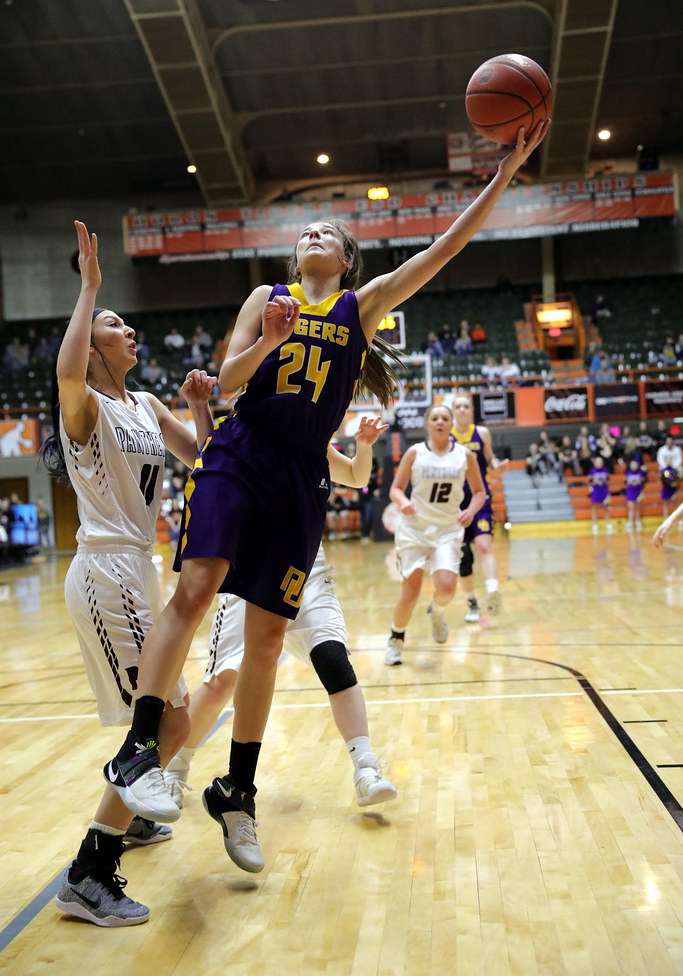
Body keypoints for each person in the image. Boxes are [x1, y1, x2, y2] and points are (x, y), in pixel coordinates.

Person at [99, 123, 548, 867]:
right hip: (243, 453)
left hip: (302, 472)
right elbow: (228, 382)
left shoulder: (361, 307)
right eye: (304, 228)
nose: (312, 232)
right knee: (200, 584)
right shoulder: (265, 296)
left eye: (326, 232)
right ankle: (142, 745)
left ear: (345, 260)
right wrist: (270, 339)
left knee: (271, 640)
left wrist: (502, 173)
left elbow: (444, 249)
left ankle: (236, 793)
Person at [40, 221, 216, 927]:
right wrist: (90, 290)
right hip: (104, 572)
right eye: (116, 325)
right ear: (94, 340)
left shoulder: (143, 405)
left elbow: (203, 459)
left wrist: (202, 405)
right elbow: (66, 371)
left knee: (172, 721)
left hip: (141, 571)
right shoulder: (81, 404)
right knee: (166, 723)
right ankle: (89, 872)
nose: (130, 331)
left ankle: (127, 820)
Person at [164, 418, 397, 839]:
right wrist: (199, 407)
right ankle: (176, 770)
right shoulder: (236, 431)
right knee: (222, 682)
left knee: (333, 659)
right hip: (247, 574)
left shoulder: (307, 434)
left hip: (305, 570)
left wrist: (363, 445)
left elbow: (358, 477)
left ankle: (365, 768)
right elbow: (203, 457)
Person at [385, 402, 485, 665]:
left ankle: (437, 613)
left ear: (451, 424)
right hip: (415, 529)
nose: (440, 422)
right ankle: (396, 638)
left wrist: (471, 511)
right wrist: (402, 502)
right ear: (427, 424)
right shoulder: (415, 452)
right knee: (411, 591)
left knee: (447, 588)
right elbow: (395, 488)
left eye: (445, 418)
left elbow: (479, 492)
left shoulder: (464, 455)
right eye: (435, 418)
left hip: (447, 530)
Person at [451, 392, 509, 618]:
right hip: (455, 504)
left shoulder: (482, 433)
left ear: (471, 411)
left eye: (466, 406)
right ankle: (471, 602)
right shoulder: (447, 436)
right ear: (454, 411)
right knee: (464, 555)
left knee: (485, 546)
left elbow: (490, 460)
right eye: (459, 406)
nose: (463, 410)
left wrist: (498, 466)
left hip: (480, 499)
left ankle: (493, 591)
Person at [656, 435, 682, 519]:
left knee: (676, 503)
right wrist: (671, 480)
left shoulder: (674, 470)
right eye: (667, 459)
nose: (669, 460)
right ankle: (665, 519)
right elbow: (667, 479)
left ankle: (679, 520)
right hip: (667, 488)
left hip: (674, 488)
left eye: (670, 459)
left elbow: (677, 478)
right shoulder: (665, 470)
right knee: (666, 504)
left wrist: (676, 481)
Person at [589, 455, 611, 533]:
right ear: (595, 463)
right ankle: (595, 524)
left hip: (604, 490)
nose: (599, 463)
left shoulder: (606, 470)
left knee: (606, 508)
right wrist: (595, 481)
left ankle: (608, 523)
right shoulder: (592, 471)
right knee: (594, 508)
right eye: (598, 462)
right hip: (596, 491)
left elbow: (608, 481)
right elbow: (590, 481)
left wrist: (604, 481)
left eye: (601, 462)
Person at [624, 458, 647, 532]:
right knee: (631, 507)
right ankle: (630, 522)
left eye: (635, 465)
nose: (634, 466)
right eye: (632, 465)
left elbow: (642, 481)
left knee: (637, 507)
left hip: (638, 491)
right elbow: (627, 481)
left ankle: (637, 521)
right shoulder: (627, 473)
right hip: (630, 491)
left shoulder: (640, 473)